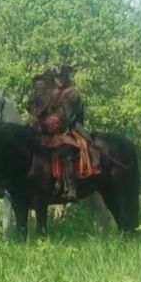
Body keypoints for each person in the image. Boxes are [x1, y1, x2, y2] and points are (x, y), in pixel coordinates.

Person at [28, 65, 94, 199]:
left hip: (70, 127)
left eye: (62, 78)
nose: (59, 81)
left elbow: (67, 115)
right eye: (57, 78)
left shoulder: (71, 94)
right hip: (51, 129)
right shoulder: (52, 94)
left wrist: (49, 123)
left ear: (66, 78)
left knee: (65, 151)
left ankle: (71, 188)